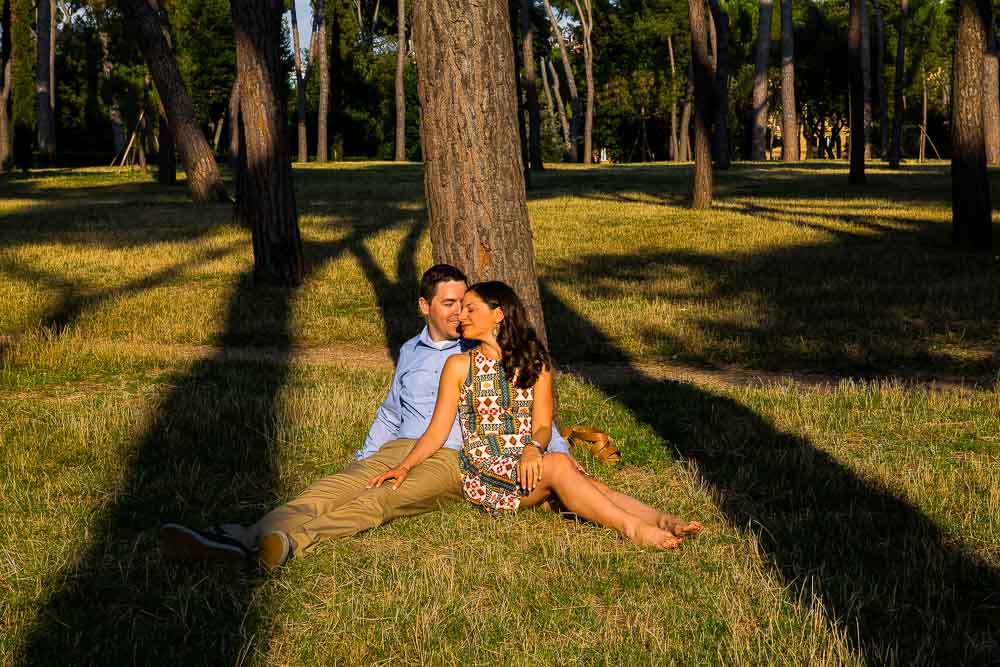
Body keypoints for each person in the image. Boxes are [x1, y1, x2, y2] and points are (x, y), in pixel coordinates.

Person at [159, 265, 574, 568]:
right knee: (332, 488)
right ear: (424, 306)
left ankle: (286, 542)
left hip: (453, 458)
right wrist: (365, 458)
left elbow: (532, 415)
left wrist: (554, 461)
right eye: (450, 304)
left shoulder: (486, 353)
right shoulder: (411, 351)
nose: (459, 313)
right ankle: (239, 538)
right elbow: (391, 412)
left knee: (379, 501)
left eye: (465, 305)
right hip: (400, 448)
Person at [369, 281, 701, 549]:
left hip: (528, 460)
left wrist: (532, 448)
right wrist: (404, 466)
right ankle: (633, 529)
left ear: (498, 314)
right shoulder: (458, 366)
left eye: (470, 309)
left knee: (584, 484)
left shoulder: (536, 363)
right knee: (559, 467)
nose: (462, 316)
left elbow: (542, 425)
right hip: (485, 471)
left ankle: (662, 520)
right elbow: (437, 430)